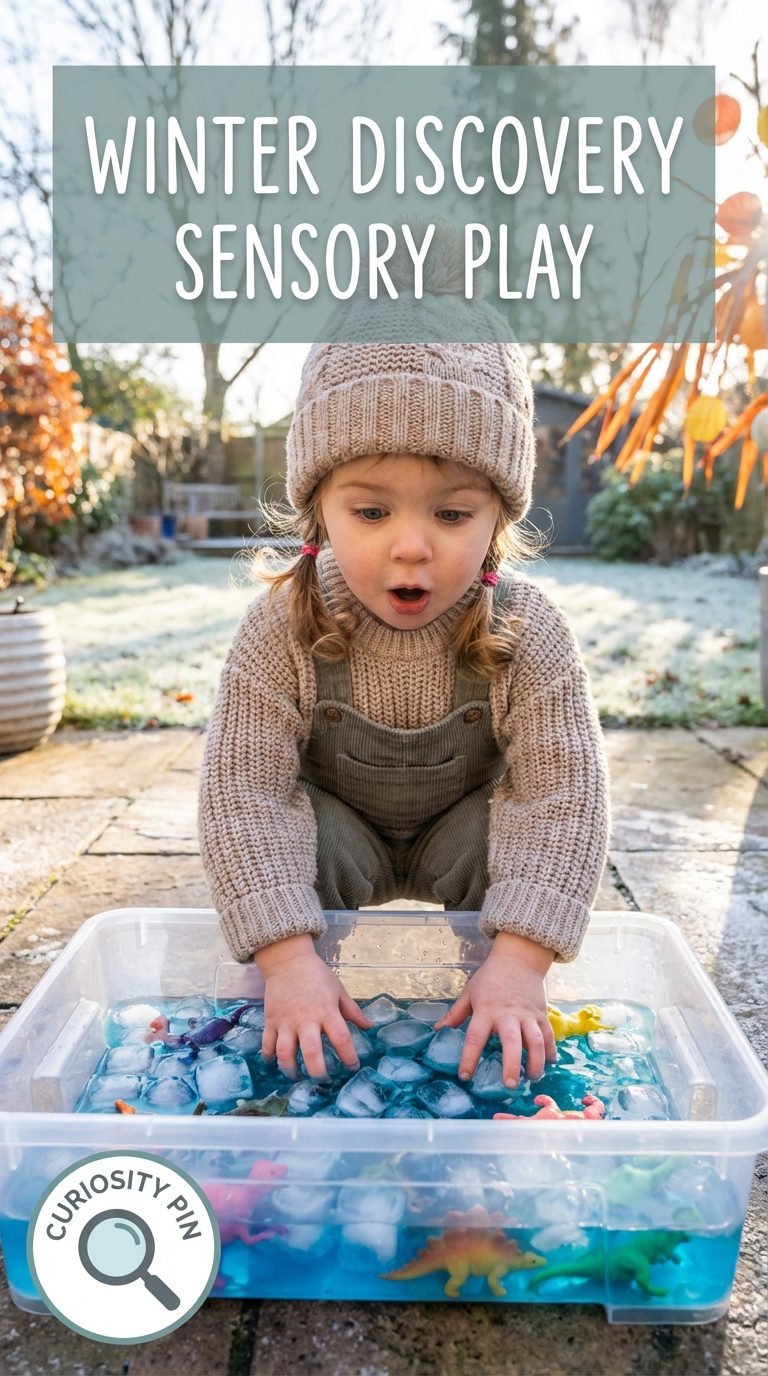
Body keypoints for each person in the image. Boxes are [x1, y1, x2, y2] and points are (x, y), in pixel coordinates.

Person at [199, 273, 611, 1098]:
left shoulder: (527, 631)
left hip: (465, 837)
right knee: (284, 845)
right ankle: (297, 1002)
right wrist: (283, 958)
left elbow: (563, 797)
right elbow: (242, 794)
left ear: (500, 515)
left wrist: (522, 959)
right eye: (372, 513)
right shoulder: (281, 627)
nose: (412, 547)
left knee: (515, 841)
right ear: (319, 510)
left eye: (452, 515)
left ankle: (487, 995)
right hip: (337, 836)